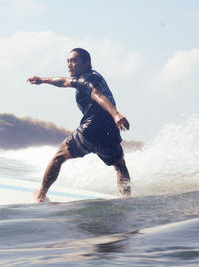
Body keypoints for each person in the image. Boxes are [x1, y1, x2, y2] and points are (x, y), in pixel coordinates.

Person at [27, 48, 131, 202]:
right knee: (120, 166)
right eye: (68, 61)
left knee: (58, 157)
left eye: (74, 61)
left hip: (90, 131)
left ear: (87, 63)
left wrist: (116, 114)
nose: (70, 65)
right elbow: (64, 81)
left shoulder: (85, 81)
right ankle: (127, 200)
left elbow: (98, 95)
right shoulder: (93, 77)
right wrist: (43, 80)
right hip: (110, 134)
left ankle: (41, 195)